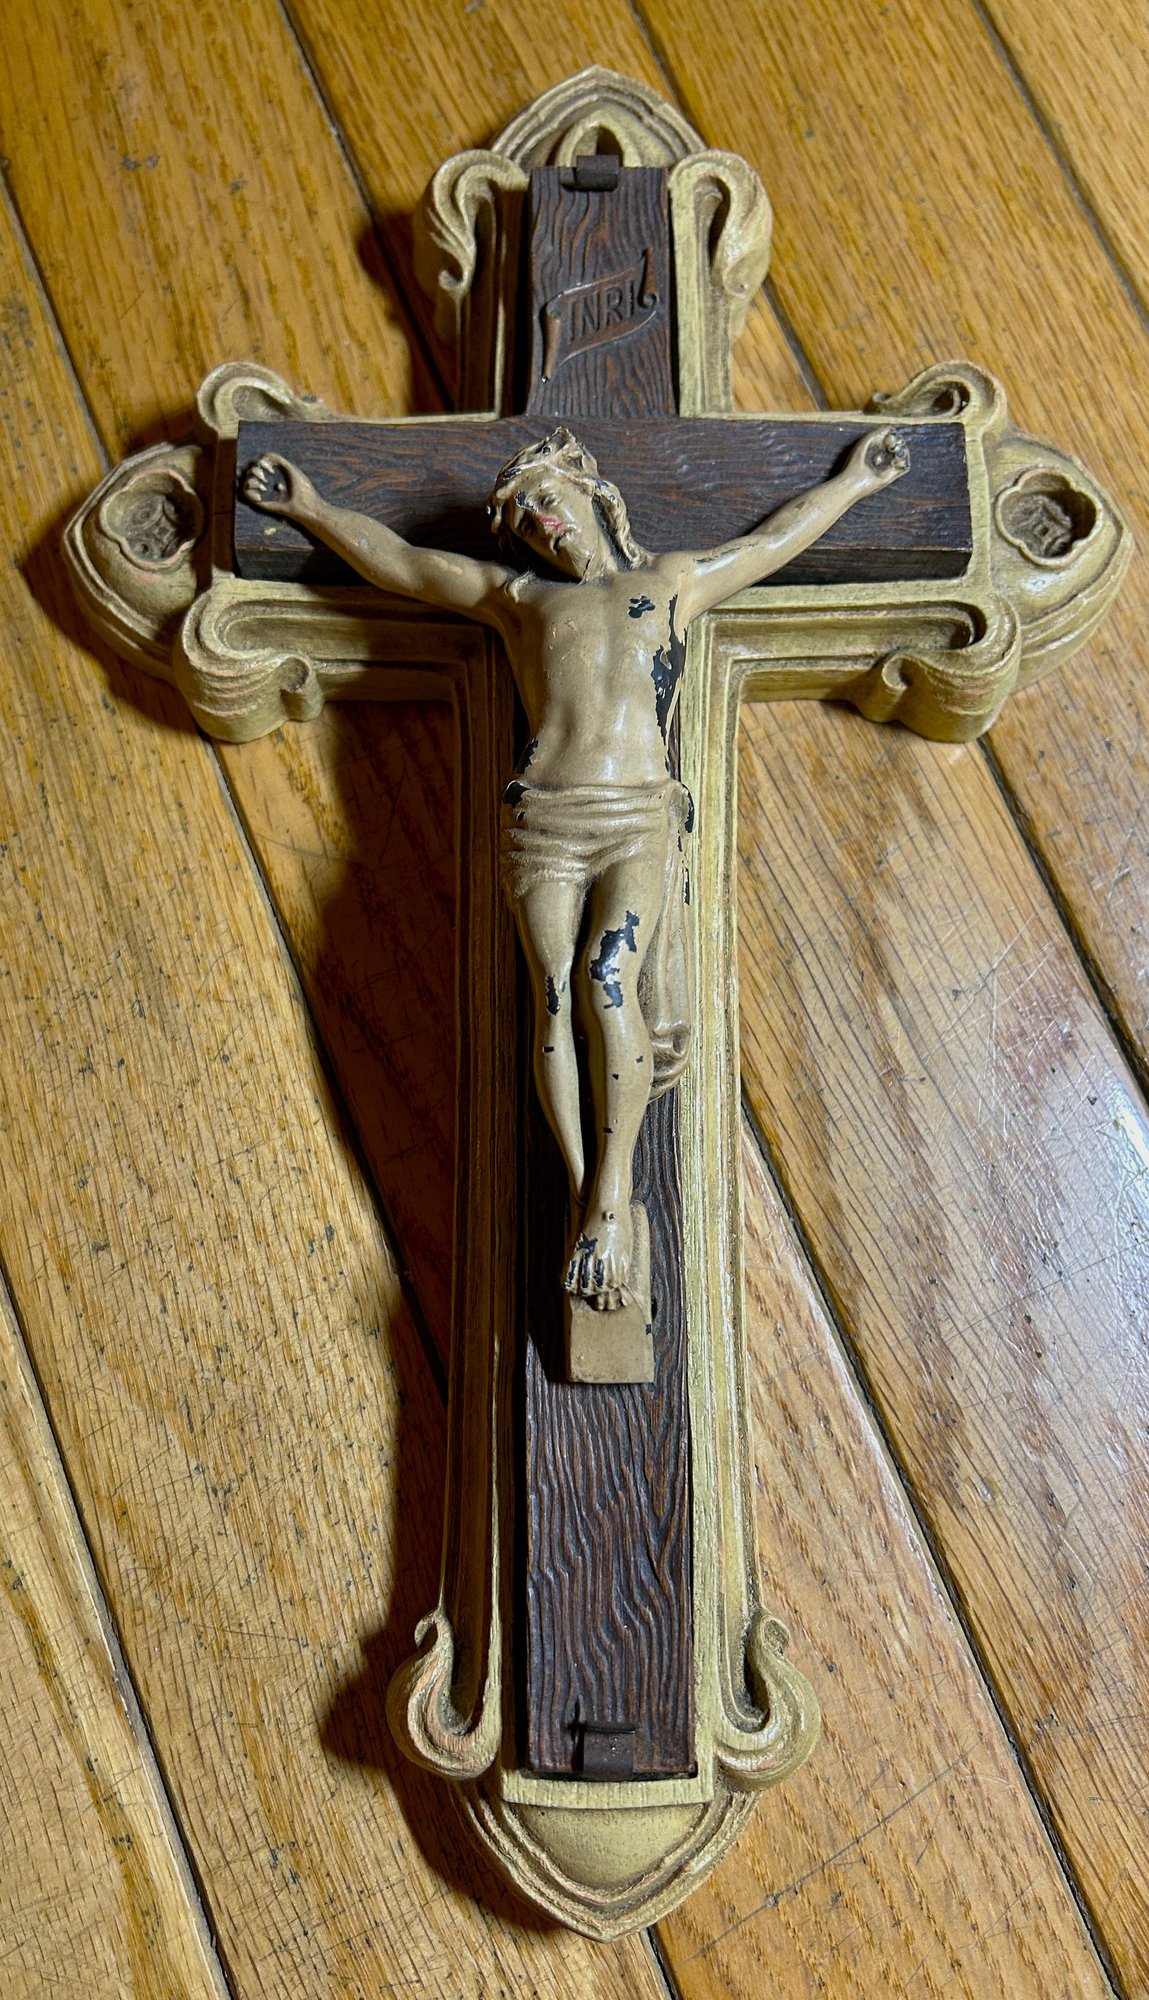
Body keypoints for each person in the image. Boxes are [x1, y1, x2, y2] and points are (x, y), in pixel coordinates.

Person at [242, 422, 908, 1312]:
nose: (539, 525)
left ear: (592, 494)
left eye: (546, 501)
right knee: (553, 993)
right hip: (546, 820)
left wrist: (855, 484)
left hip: (636, 816)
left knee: (606, 979)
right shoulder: (518, 598)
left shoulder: (668, 584)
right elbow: (402, 564)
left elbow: (770, 541)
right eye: (522, 520)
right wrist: (311, 508)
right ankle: (583, 1191)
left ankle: (610, 1198)